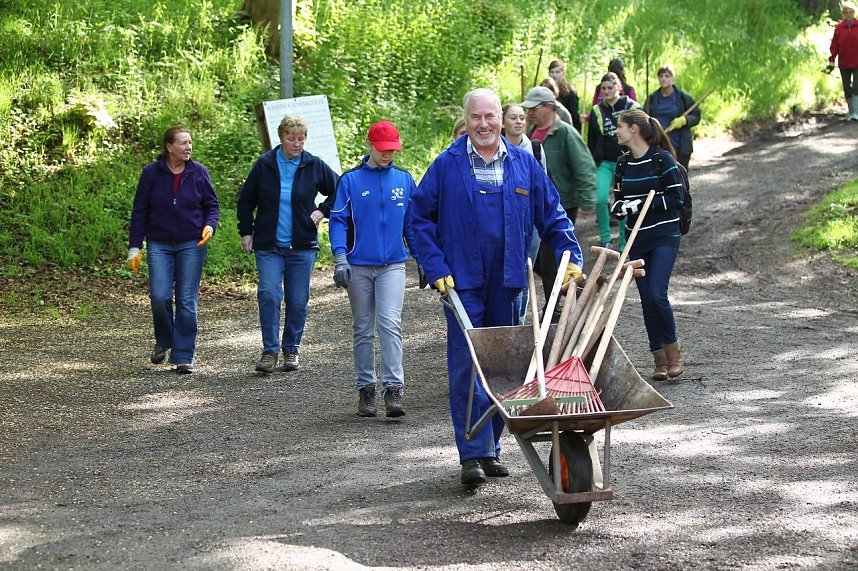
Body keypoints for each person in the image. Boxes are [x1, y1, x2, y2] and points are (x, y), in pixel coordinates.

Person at [409, 88, 584, 487]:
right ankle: (472, 452)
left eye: (490, 116)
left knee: (505, 367)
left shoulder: (523, 163)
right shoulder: (447, 165)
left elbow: (553, 217)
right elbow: (418, 219)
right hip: (462, 281)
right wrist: (435, 266)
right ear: (467, 120)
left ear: (502, 119)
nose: (484, 124)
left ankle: (492, 447)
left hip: (507, 280)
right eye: (476, 118)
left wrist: (569, 257)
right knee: (468, 364)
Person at [237, 115, 339, 374]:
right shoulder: (265, 164)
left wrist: (323, 210)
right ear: (280, 138)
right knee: (269, 294)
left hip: (302, 244)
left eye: (301, 139)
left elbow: (340, 188)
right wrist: (246, 232)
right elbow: (246, 200)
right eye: (291, 139)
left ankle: (291, 348)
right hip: (269, 243)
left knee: (297, 300)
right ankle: (269, 351)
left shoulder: (313, 165)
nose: (297, 144)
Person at [329, 121, 417, 418]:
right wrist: (340, 258)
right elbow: (339, 221)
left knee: (390, 324)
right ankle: (366, 389)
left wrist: (424, 259)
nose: (388, 155)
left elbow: (413, 225)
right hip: (358, 265)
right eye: (383, 149)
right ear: (370, 146)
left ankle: (393, 389)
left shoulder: (404, 180)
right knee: (363, 327)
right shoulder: (351, 181)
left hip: (393, 264)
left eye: (393, 149)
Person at [127, 125, 220, 374]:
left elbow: (212, 206)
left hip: (192, 242)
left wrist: (210, 227)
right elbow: (140, 212)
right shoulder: (151, 173)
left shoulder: (199, 173)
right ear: (169, 147)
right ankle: (164, 340)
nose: (188, 147)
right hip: (159, 243)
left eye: (190, 142)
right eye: (183, 143)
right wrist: (134, 247)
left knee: (187, 300)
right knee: (159, 296)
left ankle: (183, 355)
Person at [611, 109, 685, 381]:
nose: (616, 131)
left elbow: (676, 198)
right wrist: (620, 208)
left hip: (664, 235)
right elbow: (618, 199)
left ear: (634, 129)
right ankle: (659, 360)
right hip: (636, 239)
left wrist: (643, 204)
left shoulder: (661, 159)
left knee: (657, 294)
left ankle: (674, 354)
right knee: (645, 300)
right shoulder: (622, 163)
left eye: (619, 126)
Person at [521, 86, 596, 314]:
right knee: (540, 259)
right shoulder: (532, 134)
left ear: (549, 107)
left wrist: (586, 199)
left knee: (550, 253)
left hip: (563, 203)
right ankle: (565, 291)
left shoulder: (565, 133)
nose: (530, 113)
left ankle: (555, 304)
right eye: (529, 109)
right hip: (537, 205)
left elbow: (583, 165)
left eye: (534, 108)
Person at [502, 103, 548, 323]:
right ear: (502, 122)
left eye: (521, 118)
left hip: (531, 224)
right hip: (505, 221)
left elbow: (543, 187)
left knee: (526, 271)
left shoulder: (536, 150)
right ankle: (508, 319)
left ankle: (519, 320)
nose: (519, 121)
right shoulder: (494, 150)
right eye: (513, 118)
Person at [588, 72, 641, 250]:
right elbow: (592, 139)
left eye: (610, 87)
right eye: (603, 88)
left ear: (618, 87)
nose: (606, 91)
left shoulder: (631, 107)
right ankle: (605, 238)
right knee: (601, 198)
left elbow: (642, 133)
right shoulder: (596, 110)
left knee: (623, 201)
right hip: (604, 162)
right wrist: (592, 161)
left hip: (625, 161)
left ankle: (624, 240)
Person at [642, 65, 700, 170]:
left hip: (680, 145)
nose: (663, 78)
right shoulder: (652, 99)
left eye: (667, 76)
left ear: (673, 78)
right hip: (659, 144)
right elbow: (644, 118)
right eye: (661, 76)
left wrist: (684, 120)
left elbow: (696, 115)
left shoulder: (682, 97)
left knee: (680, 175)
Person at [827, 1, 858, 121]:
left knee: (856, 86)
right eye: (846, 13)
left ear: (854, 13)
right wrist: (831, 59)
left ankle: (856, 112)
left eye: (851, 12)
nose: (849, 15)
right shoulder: (839, 28)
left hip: (857, 62)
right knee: (847, 87)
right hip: (844, 62)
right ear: (843, 14)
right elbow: (835, 45)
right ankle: (852, 112)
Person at [547, 59, 582, 133]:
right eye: (552, 72)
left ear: (563, 73)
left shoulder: (569, 92)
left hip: (564, 129)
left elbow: (575, 116)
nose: (554, 75)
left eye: (557, 72)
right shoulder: (545, 89)